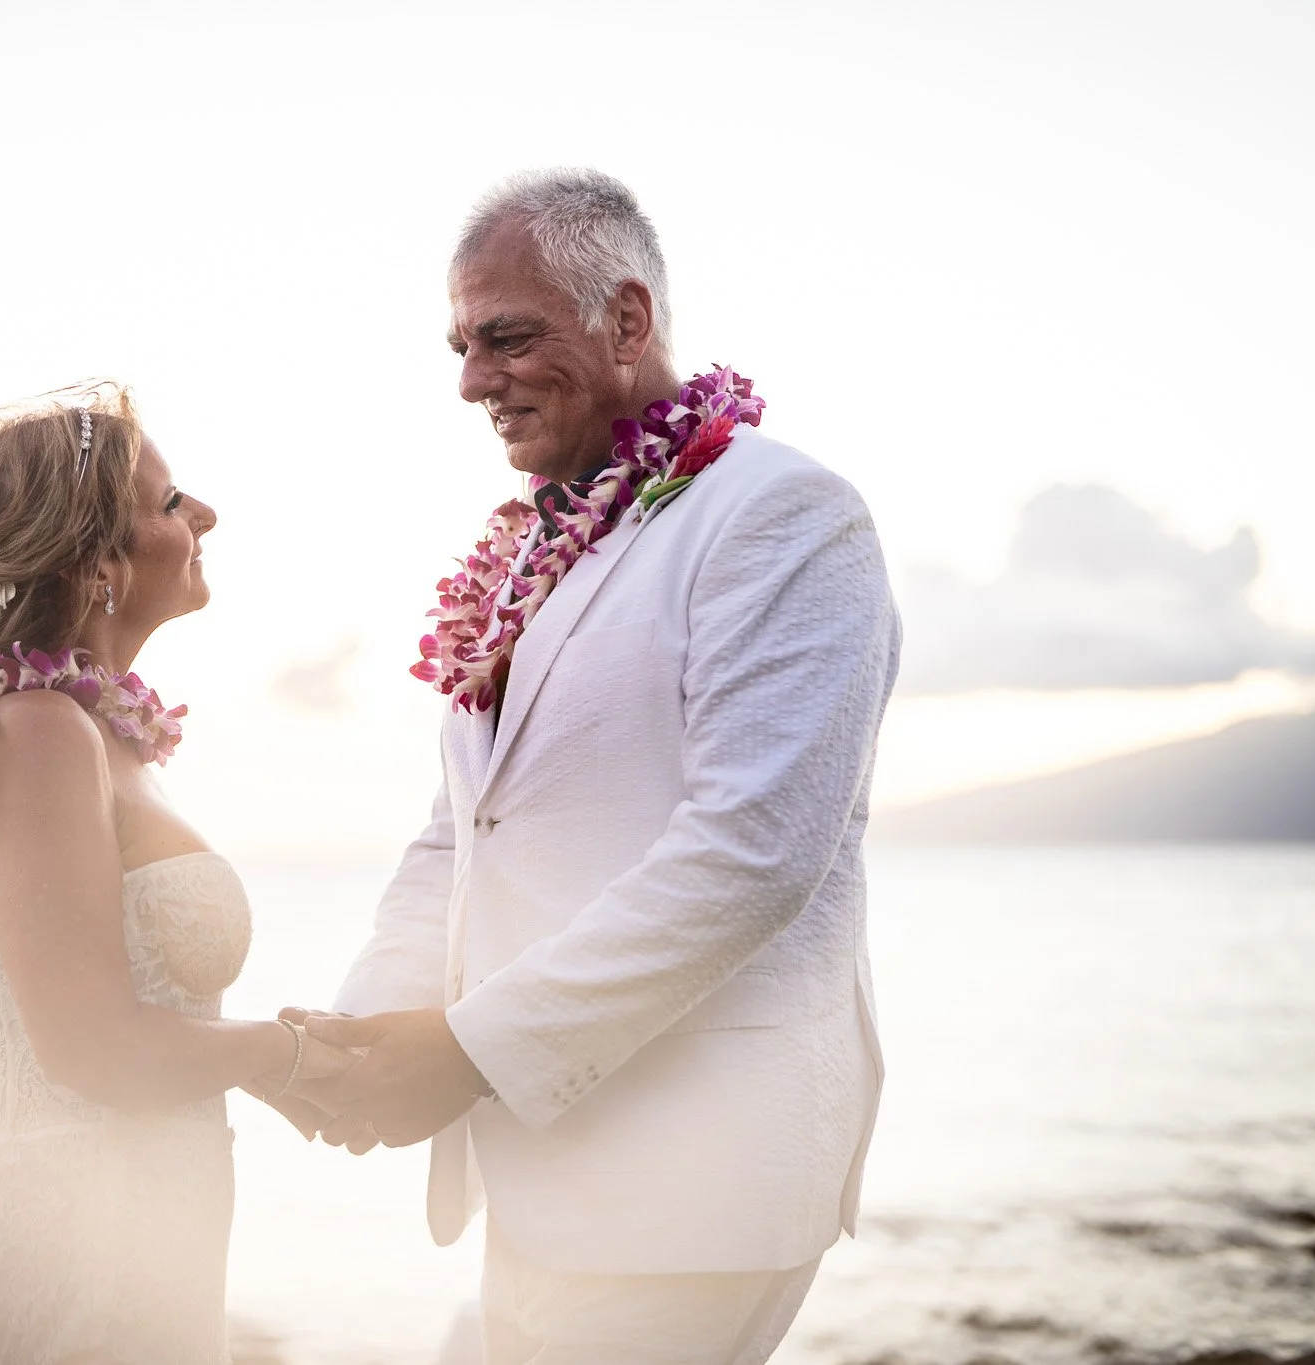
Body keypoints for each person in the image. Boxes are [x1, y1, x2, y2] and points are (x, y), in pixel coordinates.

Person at [290, 169, 902, 1364]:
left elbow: (751, 856)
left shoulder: (783, 516)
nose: (471, 381)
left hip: (694, 1173)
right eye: (461, 346)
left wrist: (465, 1051)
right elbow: (464, 832)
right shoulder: (539, 548)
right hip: (532, 1164)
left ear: (625, 319)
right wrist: (364, 1035)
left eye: (505, 337)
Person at [0, 385, 352, 1365]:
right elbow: (89, 1048)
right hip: (70, 1263)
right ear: (94, 564)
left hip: (150, 1250)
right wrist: (281, 1058)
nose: (202, 516)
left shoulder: (88, 735)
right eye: (168, 503)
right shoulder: (39, 734)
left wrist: (264, 1057)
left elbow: (139, 1025)